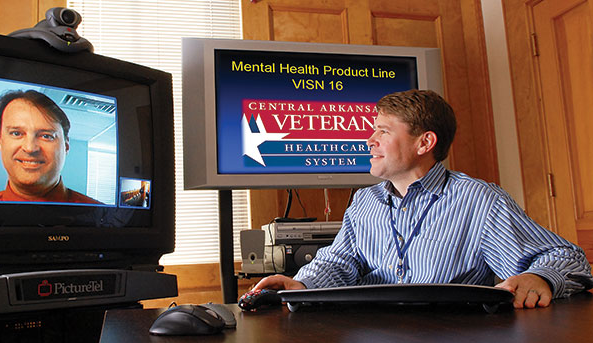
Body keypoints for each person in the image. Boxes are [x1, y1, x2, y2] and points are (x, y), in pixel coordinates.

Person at [253, 89, 593, 309]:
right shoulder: (365, 202)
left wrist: (541, 277)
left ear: (424, 143)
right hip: (370, 335)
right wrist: (300, 282)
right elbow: (341, 263)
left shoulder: (478, 200)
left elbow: (568, 258)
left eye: (383, 131)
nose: (369, 140)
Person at [0, 90, 101, 204]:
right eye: (16, 133)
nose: (30, 148)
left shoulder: (100, 215)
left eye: (46, 136)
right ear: (0, 141)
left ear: (66, 146)